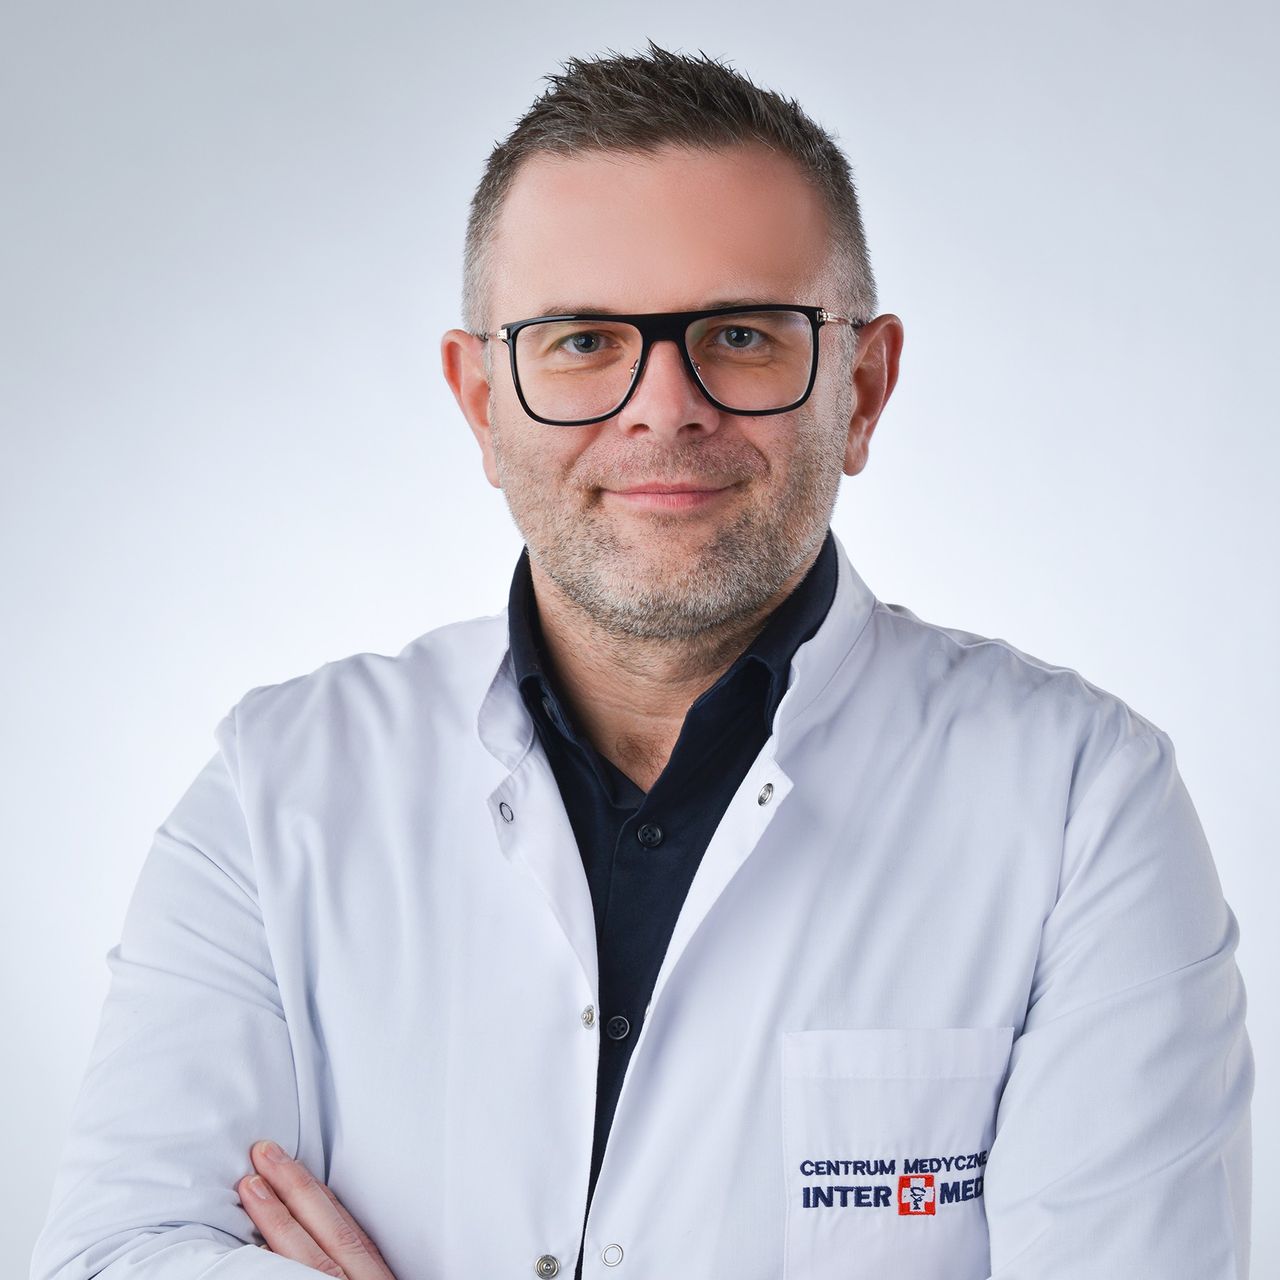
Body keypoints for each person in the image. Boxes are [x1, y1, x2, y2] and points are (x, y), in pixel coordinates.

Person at [30, 40, 1253, 1280]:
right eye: (581, 341)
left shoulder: (1082, 804)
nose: (663, 407)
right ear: (481, 403)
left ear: (863, 387)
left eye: (741, 333)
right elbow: (111, 1257)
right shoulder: (277, 786)